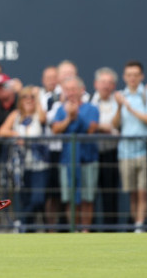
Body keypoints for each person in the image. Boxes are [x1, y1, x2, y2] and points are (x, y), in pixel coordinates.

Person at [112, 60, 147, 233]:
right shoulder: (119, 96)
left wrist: (130, 108)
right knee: (132, 192)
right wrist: (119, 106)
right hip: (125, 151)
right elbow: (115, 124)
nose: (132, 78)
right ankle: (136, 224)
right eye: (129, 75)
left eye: (135, 75)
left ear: (142, 76)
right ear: (124, 77)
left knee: (142, 191)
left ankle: (140, 225)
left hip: (144, 149)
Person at [0, 85, 48, 231]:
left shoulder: (39, 114)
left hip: (39, 165)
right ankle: (27, 229)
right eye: (25, 97)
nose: (28, 100)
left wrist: (37, 98)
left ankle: (21, 223)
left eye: (31, 97)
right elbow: (2, 131)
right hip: (21, 165)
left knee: (38, 199)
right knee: (24, 199)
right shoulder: (16, 115)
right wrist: (16, 135)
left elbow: (44, 119)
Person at [52, 76, 98, 232]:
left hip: (88, 159)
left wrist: (76, 116)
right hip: (67, 160)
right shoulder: (60, 109)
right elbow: (56, 129)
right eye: (67, 90)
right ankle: (74, 230)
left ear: (81, 90)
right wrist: (69, 118)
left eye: (73, 89)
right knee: (69, 198)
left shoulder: (92, 109)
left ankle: (85, 230)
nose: (70, 93)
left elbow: (91, 130)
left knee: (87, 197)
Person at [90, 67, 120, 229]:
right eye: (103, 82)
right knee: (90, 194)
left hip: (111, 153)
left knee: (110, 194)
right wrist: (106, 127)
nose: (106, 86)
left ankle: (111, 229)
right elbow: (90, 126)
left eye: (109, 83)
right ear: (96, 84)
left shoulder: (118, 103)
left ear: (114, 86)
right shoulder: (89, 101)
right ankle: (91, 229)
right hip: (93, 153)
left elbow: (115, 128)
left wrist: (100, 127)